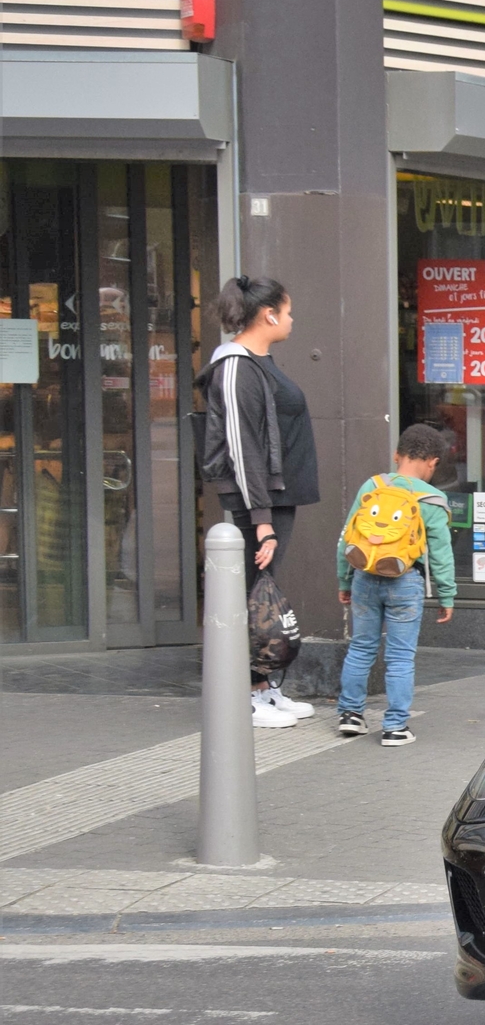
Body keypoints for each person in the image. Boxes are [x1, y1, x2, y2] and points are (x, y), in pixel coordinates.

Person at [197, 275, 321, 728]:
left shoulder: (261, 362)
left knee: (260, 595)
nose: (291, 319)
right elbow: (241, 445)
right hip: (258, 504)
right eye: (287, 312)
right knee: (249, 595)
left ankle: (265, 689)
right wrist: (261, 519)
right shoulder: (234, 365)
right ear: (268, 315)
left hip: (275, 499)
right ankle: (243, 697)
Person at [334, 423, 457, 745]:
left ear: (397, 455)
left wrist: (344, 580)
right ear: (432, 462)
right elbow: (441, 555)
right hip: (405, 582)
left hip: (364, 578)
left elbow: (346, 538)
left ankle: (350, 715)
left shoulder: (372, 487)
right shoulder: (434, 499)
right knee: (400, 657)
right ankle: (395, 727)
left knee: (361, 648)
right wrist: (447, 596)